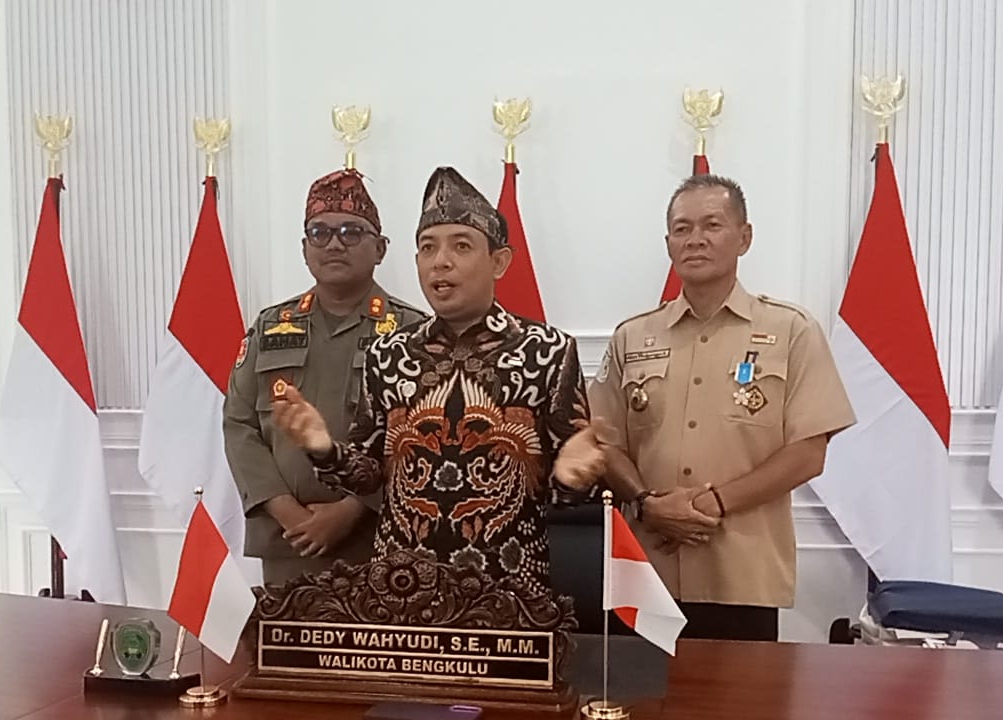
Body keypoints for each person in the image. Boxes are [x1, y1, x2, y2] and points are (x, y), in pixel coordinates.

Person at [271, 166, 605, 596]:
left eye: (461, 246)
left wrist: (574, 478)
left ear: (499, 262)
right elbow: (369, 478)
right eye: (427, 248)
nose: (440, 261)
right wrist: (323, 449)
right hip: (401, 590)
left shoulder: (547, 352)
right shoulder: (388, 355)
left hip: (509, 596)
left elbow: (567, 497)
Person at [588, 174, 856, 641]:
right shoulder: (633, 337)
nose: (695, 239)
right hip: (646, 569)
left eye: (712, 225)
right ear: (668, 244)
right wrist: (647, 503)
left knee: (739, 689)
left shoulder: (791, 331)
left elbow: (808, 453)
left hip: (742, 574)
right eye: (682, 228)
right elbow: (602, 440)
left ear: (744, 237)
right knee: (641, 688)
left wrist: (713, 503)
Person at [224, 168, 426, 585]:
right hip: (289, 542)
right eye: (319, 232)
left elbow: (422, 439)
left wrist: (351, 510)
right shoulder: (270, 328)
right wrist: (286, 510)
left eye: (351, 232)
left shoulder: (413, 334)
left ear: (380, 249)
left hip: (379, 542)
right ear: (304, 248)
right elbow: (239, 425)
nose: (334, 243)